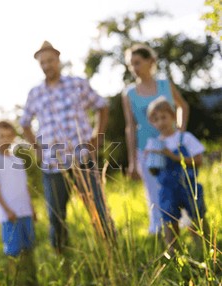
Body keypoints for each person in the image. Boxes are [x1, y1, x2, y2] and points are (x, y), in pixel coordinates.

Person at [20, 41, 111, 254]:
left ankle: (110, 251)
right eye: (42, 62)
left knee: (98, 207)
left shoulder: (77, 84)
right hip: (53, 165)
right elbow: (24, 123)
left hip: (82, 158)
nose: (47, 65)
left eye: (50, 60)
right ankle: (64, 260)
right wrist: (38, 149)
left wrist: (97, 137)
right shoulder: (35, 93)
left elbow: (102, 106)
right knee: (56, 215)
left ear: (58, 60)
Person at [122, 44, 189, 234]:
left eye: (137, 62)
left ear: (150, 61)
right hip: (147, 149)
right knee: (155, 193)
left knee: (181, 185)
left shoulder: (164, 85)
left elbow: (182, 106)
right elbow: (130, 126)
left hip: (173, 145)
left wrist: (180, 132)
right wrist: (132, 161)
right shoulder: (129, 93)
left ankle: (189, 225)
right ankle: (162, 233)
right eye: (130, 65)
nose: (134, 68)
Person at [144, 97, 206, 254]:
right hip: (167, 188)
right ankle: (173, 253)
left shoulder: (184, 138)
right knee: (169, 219)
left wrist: (173, 156)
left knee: (197, 215)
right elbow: (153, 170)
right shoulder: (154, 143)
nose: (161, 123)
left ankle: (204, 247)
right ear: (152, 123)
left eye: (164, 117)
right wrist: (150, 158)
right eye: (156, 119)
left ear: (173, 116)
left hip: (188, 185)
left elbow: (199, 160)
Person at [0, 121, 38, 286]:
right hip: (10, 216)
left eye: (9, 136)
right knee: (13, 252)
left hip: (25, 213)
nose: (6, 140)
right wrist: (8, 211)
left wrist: (32, 208)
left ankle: (33, 282)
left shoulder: (17, 160)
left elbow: (24, 187)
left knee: (29, 248)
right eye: (2, 136)